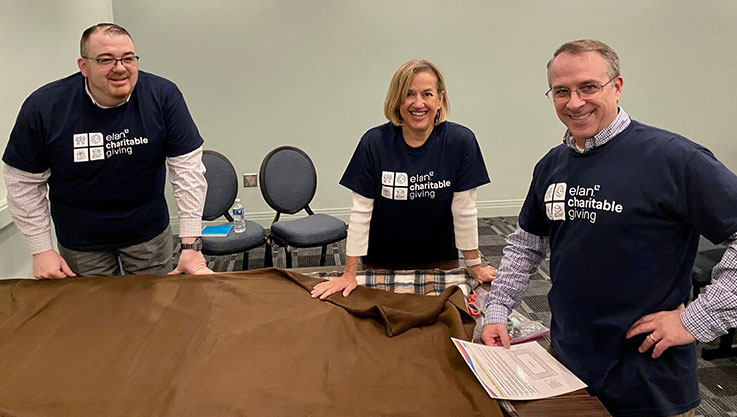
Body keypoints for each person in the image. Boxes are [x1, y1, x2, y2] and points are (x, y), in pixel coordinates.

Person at [481, 39, 737, 417]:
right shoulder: (553, 164)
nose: (575, 102)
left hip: (648, 377)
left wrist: (696, 319)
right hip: (567, 361)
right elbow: (526, 244)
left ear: (616, 87)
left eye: (588, 87)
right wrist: (498, 309)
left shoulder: (675, 159)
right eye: (561, 91)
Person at [2, 23, 212, 278]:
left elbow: (187, 170)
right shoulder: (44, 107)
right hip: (81, 241)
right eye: (106, 60)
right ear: (84, 66)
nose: (120, 68)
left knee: (155, 310)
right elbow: (22, 181)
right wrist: (41, 250)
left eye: (128, 58)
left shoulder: (163, 95)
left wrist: (190, 244)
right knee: (95, 313)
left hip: (147, 234)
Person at [311, 59, 496, 300]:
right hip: (381, 263)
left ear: (440, 99)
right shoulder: (373, 143)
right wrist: (349, 273)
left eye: (427, 94)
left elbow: (464, 212)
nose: (418, 103)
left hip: (441, 262)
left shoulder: (461, 142)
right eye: (408, 94)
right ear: (397, 100)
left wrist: (474, 266)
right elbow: (360, 213)